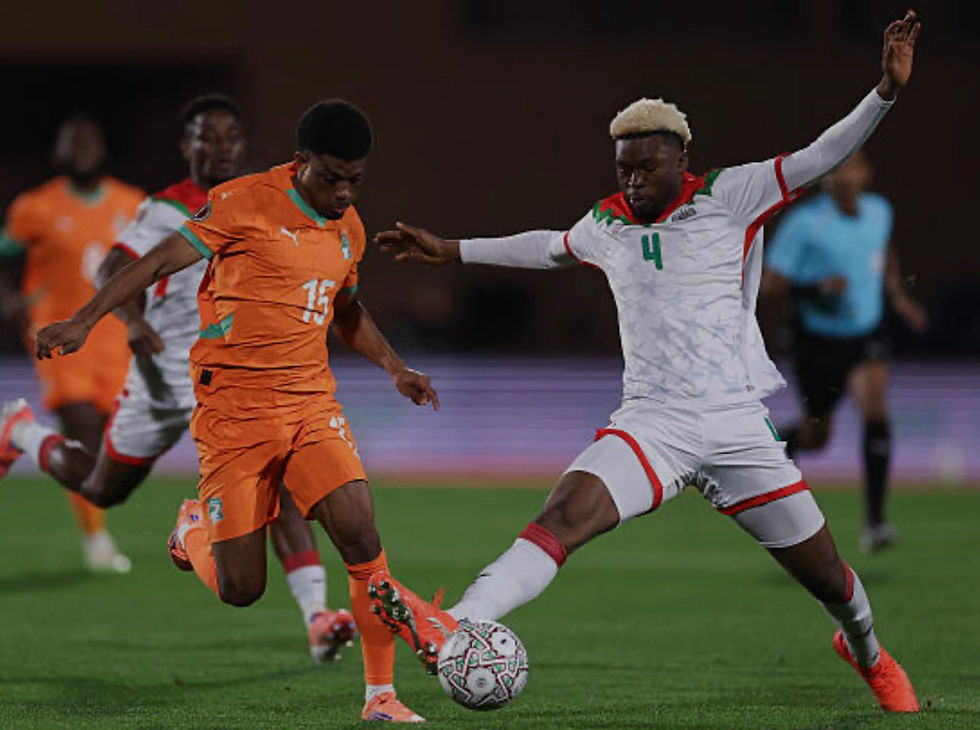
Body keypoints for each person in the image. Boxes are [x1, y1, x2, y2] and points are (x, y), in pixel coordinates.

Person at [368, 10, 922, 714]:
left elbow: (820, 155)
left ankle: (867, 652)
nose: (632, 181)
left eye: (646, 167)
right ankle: (458, 623)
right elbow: (547, 246)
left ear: (679, 160)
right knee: (565, 514)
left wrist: (885, 91)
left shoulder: (732, 195)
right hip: (653, 423)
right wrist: (452, 250)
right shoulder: (606, 222)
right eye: (623, 168)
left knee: (829, 578)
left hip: (734, 425)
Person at [33, 98, 438, 723]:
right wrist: (85, 321)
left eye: (355, 181)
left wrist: (395, 367)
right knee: (241, 588)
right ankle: (192, 530)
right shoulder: (242, 201)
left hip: (310, 403)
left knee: (362, 538)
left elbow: (346, 309)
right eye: (332, 178)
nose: (344, 192)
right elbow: (155, 260)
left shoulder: (348, 226)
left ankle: (379, 696)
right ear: (300, 162)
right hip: (235, 411)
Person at [0, 94, 353, 662]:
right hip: (164, 378)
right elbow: (113, 268)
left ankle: (317, 617)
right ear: (187, 146)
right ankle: (21, 431)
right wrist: (132, 321)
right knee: (102, 488)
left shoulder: (262, 202)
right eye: (207, 137)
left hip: (231, 378)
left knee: (279, 484)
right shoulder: (164, 209)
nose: (221, 148)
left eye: (231, 137)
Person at [762, 149, 927, 554]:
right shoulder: (804, 223)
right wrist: (816, 288)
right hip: (816, 341)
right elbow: (769, 283)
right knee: (817, 436)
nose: (842, 177)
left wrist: (897, 295)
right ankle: (777, 445)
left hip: (863, 334)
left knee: (875, 411)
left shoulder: (879, 211)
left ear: (866, 173)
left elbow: (884, 252)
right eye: (834, 170)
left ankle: (876, 522)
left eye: (850, 168)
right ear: (824, 178)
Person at [0, 115, 141, 573]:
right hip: (57, 338)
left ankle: (21, 434)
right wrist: (10, 300)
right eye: (72, 143)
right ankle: (96, 538)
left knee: (114, 455)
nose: (82, 150)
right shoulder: (35, 207)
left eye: (89, 142)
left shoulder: (132, 203)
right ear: (58, 152)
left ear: (104, 149)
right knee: (85, 437)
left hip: (116, 343)